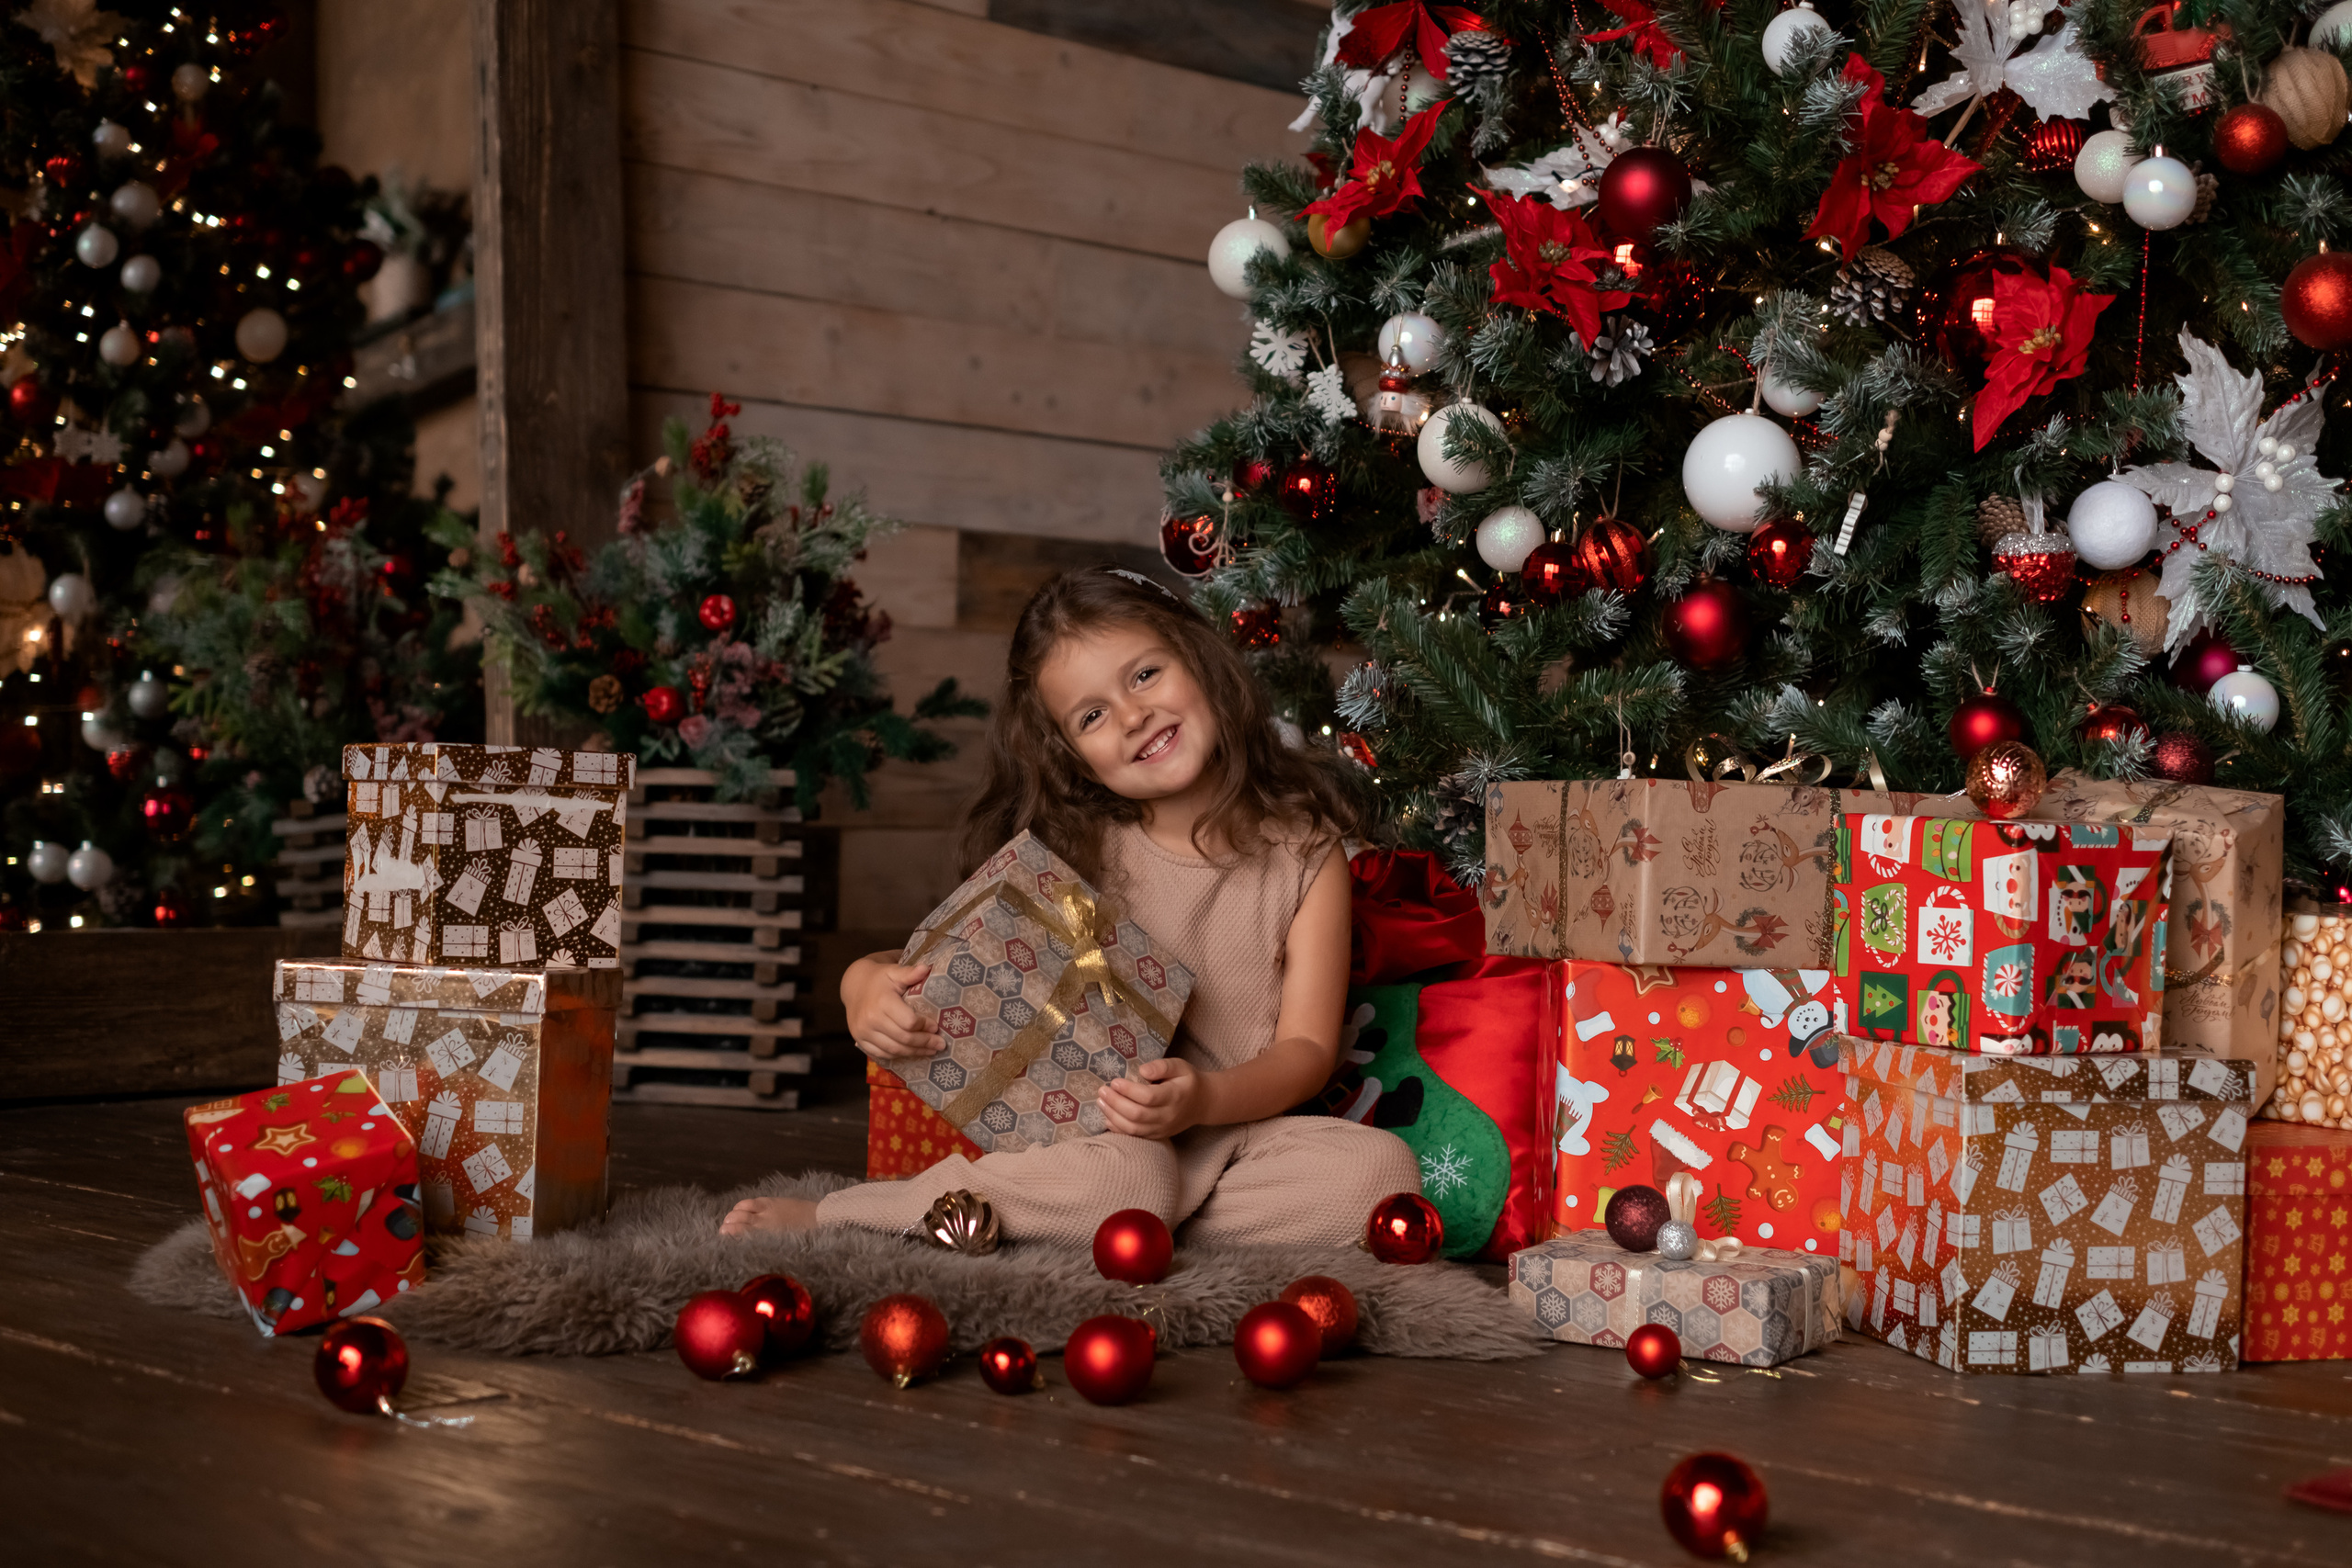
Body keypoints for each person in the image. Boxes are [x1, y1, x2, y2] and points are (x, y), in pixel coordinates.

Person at [720, 568, 1421, 1246]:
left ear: (1202, 662)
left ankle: (1111, 1224)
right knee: (1130, 1176)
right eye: (1093, 715)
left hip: (1234, 1131)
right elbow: (938, 959)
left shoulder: (1306, 853)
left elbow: (1305, 1050)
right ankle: (857, 1213)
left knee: (1380, 1175)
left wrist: (1204, 1098)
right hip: (1095, 1144)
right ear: (1074, 756)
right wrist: (860, 983)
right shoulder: (1079, 848)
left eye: (1145, 674)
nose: (1134, 715)